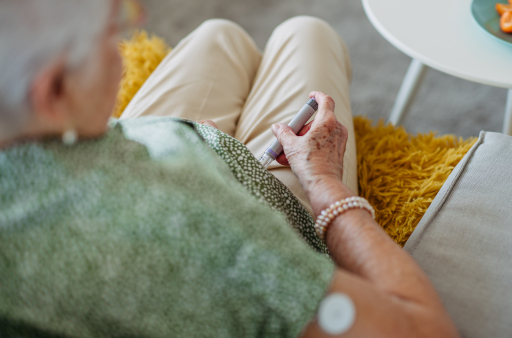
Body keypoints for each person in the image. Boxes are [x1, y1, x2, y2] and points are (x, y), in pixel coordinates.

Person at [0, 0, 458, 337]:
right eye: (111, 35)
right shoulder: (207, 234)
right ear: (53, 92)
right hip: (221, 200)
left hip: (151, 143)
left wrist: (169, 134)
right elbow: (425, 330)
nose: (121, 56)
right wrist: (326, 184)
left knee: (219, 35)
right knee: (306, 33)